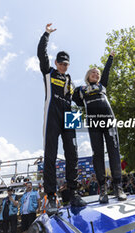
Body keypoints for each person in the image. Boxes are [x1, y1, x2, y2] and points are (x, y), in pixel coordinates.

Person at [37, 23, 86, 214]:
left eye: (66, 64)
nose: (64, 66)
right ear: (56, 63)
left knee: (72, 154)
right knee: (50, 155)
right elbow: (41, 54)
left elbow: (78, 101)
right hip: (52, 113)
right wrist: (46, 34)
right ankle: (50, 196)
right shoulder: (48, 72)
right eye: (61, 63)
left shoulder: (71, 81)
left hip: (71, 115)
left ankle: (73, 193)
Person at [72, 51, 127, 204]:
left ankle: (118, 186)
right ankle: (102, 189)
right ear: (88, 76)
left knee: (114, 150)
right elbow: (75, 101)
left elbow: (107, 70)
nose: (96, 74)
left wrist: (110, 58)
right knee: (98, 154)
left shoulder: (102, 85)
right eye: (93, 73)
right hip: (93, 122)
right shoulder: (81, 89)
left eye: (98, 73)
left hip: (109, 120)